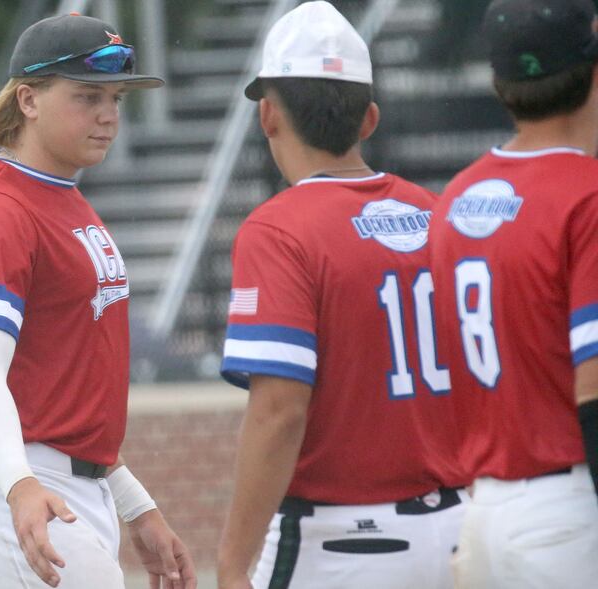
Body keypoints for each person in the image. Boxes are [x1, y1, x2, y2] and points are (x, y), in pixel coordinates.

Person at [0, 13, 196, 589]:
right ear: (28, 99)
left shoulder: (61, 198)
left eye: (116, 98)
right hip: (12, 485)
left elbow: (66, 392)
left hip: (66, 487)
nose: (108, 115)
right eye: (87, 96)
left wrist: (135, 505)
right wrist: (19, 486)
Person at [216, 3, 468, 588]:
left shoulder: (278, 229)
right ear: (369, 118)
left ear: (268, 115)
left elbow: (279, 412)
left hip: (342, 546)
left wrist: (231, 565)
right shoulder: (437, 214)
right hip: (459, 528)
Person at [428, 0, 598, 586]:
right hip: (570, 507)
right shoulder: (587, 194)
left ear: (501, 85)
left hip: (484, 512)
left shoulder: (455, 198)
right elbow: (595, 379)